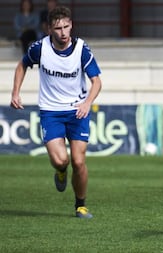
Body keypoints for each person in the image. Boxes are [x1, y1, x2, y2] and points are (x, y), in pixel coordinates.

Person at [10, 6, 102, 219]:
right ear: (49, 28)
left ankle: (80, 206)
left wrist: (88, 102)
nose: (63, 32)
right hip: (51, 112)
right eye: (58, 28)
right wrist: (15, 92)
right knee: (62, 161)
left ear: (72, 26)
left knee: (79, 162)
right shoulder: (39, 48)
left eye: (66, 27)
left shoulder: (81, 49)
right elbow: (22, 65)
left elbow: (96, 81)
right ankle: (60, 171)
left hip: (78, 111)